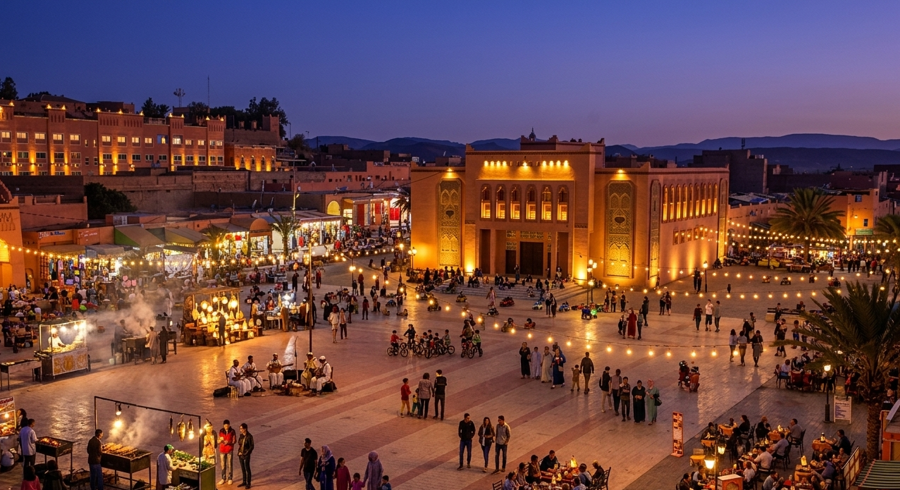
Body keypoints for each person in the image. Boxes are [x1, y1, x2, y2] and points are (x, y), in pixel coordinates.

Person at [218, 420, 236, 485]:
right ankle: (223, 478)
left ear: (229, 425)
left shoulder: (232, 431)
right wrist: (220, 441)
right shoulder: (221, 431)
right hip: (222, 450)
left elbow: (234, 441)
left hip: (229, 450)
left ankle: (230, 478)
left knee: (229, 464)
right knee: (223, 465)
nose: (226, 426)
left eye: (227, 425)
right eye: (225, 425)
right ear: (223, 425)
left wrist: (228, 442)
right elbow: (219, 439)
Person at [237, 423, 253, 488]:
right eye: (240, 428)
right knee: (242, 468)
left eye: (241, 428)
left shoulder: (249, 436)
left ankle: (248, 483)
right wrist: (239, 452)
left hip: (246, 454)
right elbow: (239, 444)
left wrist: (245, 453)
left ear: (245, 429)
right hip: (240, 454)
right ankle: (244, 481)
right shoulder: (241, 436)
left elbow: (251, 447)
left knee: (247, 468)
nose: (240, 430)